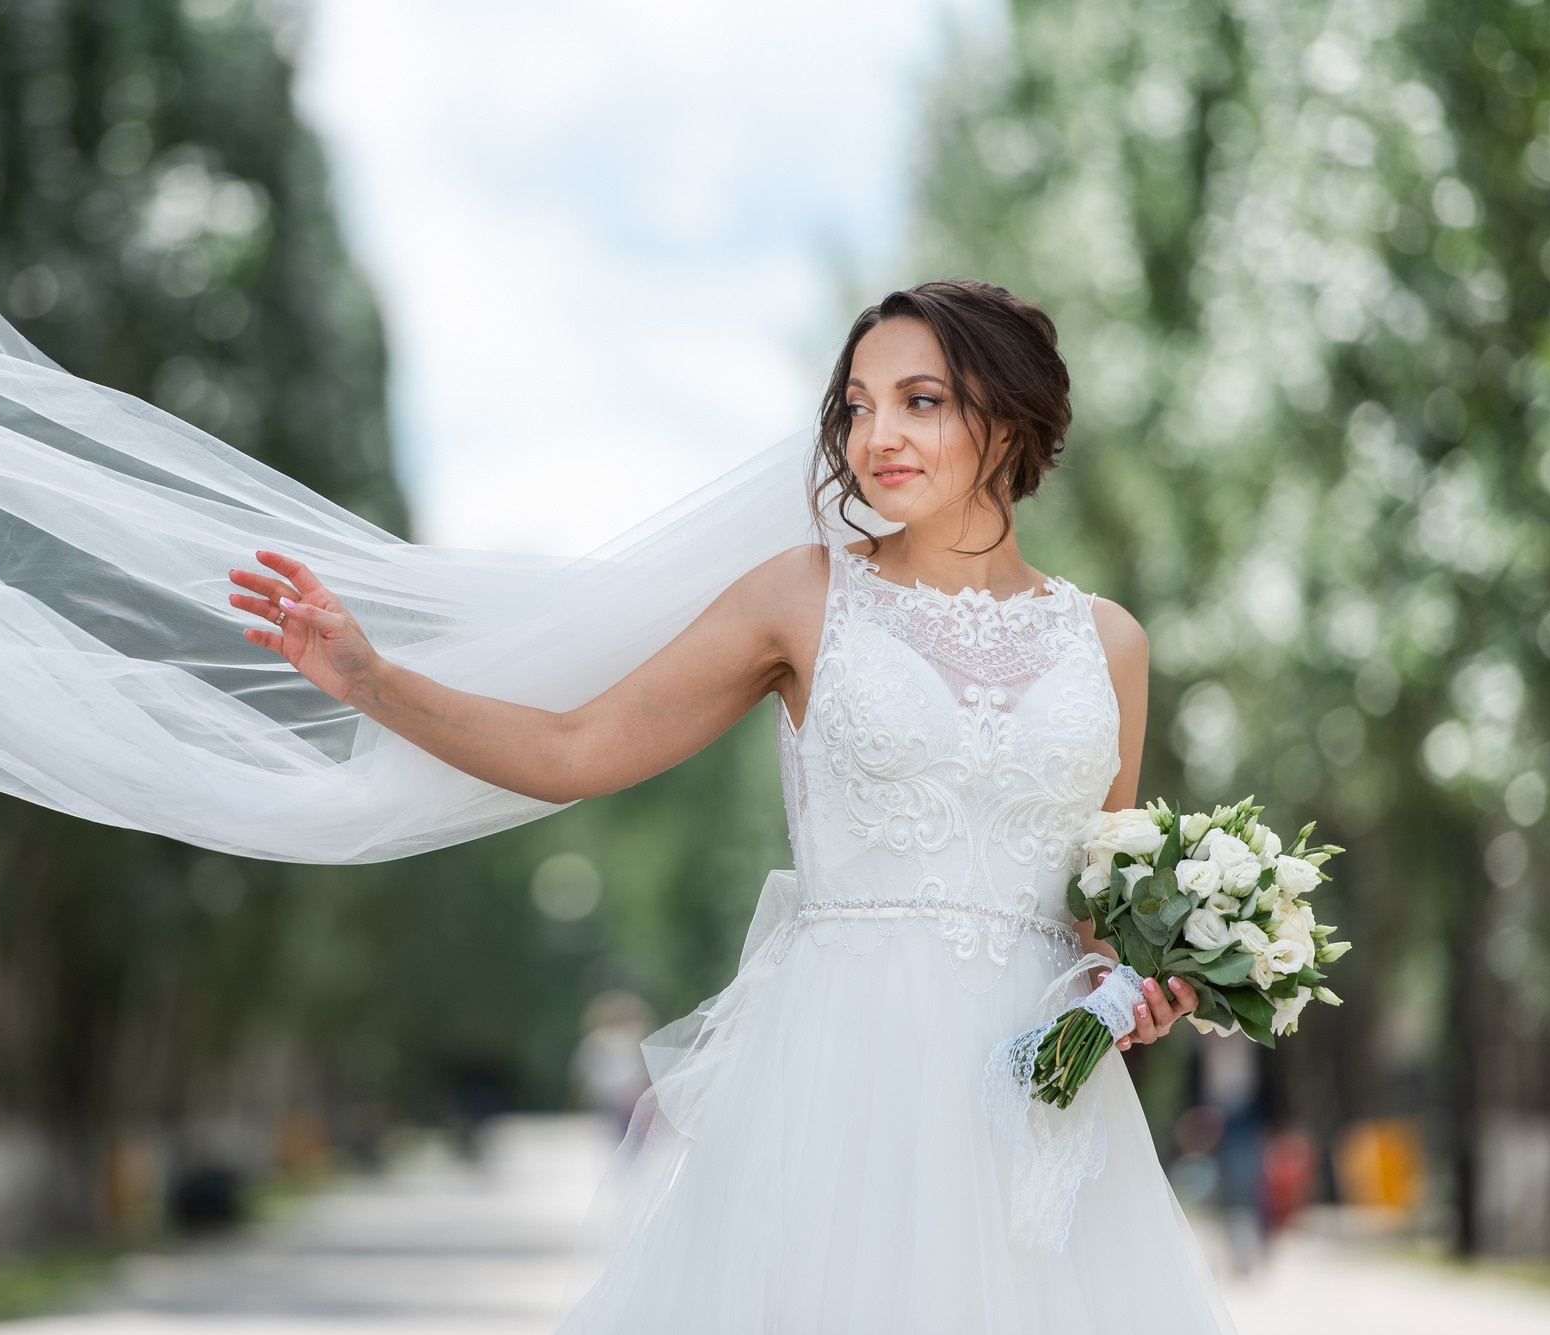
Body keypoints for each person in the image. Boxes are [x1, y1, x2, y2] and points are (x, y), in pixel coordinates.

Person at [227, 282, 1231, 1331]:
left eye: (919, 401)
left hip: (1037, 1099)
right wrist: (372, 680)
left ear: (1012, 416)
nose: (875, 434)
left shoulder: (1107, 643)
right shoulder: (801, 597)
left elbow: (1091, 922)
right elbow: (575, 747)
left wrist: (1139, 991)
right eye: (854, 406)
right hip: (848, 1070)